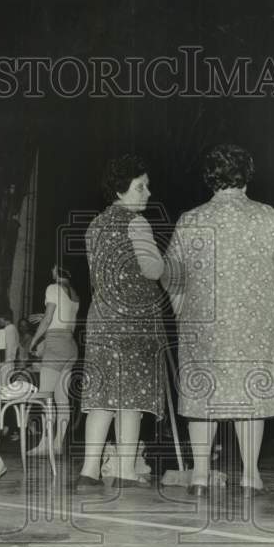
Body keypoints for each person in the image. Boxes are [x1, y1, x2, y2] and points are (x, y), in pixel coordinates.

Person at [163, 143, 274, 496]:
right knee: (250, 394)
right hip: (255, 323)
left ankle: (199, 476)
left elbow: (172, 277)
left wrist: (182, 312)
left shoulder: (190, 219)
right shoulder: (267, 216)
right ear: (247, 175)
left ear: (209, 178)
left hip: (201, 324)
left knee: (201, 396)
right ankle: (251, 475)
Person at [76, 154, 167, 493]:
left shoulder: (94, 226)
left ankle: (89, 470)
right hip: (133, 321)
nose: (147, 192)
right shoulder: (137, 223)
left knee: (101, 397)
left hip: (101, 319)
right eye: (140, 186)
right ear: (121, 189)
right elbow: (152, 270)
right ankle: (126, 471)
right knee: (132, 398)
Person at [28, 265, 80, 456]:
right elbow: (66, 320)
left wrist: (34, 341)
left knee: (45, 397)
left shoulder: (52, 287)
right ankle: (58, 444)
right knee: (62, 399)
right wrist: (46, 318)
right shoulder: (74, 294)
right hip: (70, 346)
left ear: (57, 271)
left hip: (55, 345)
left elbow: (49, 318)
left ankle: (44, 444)